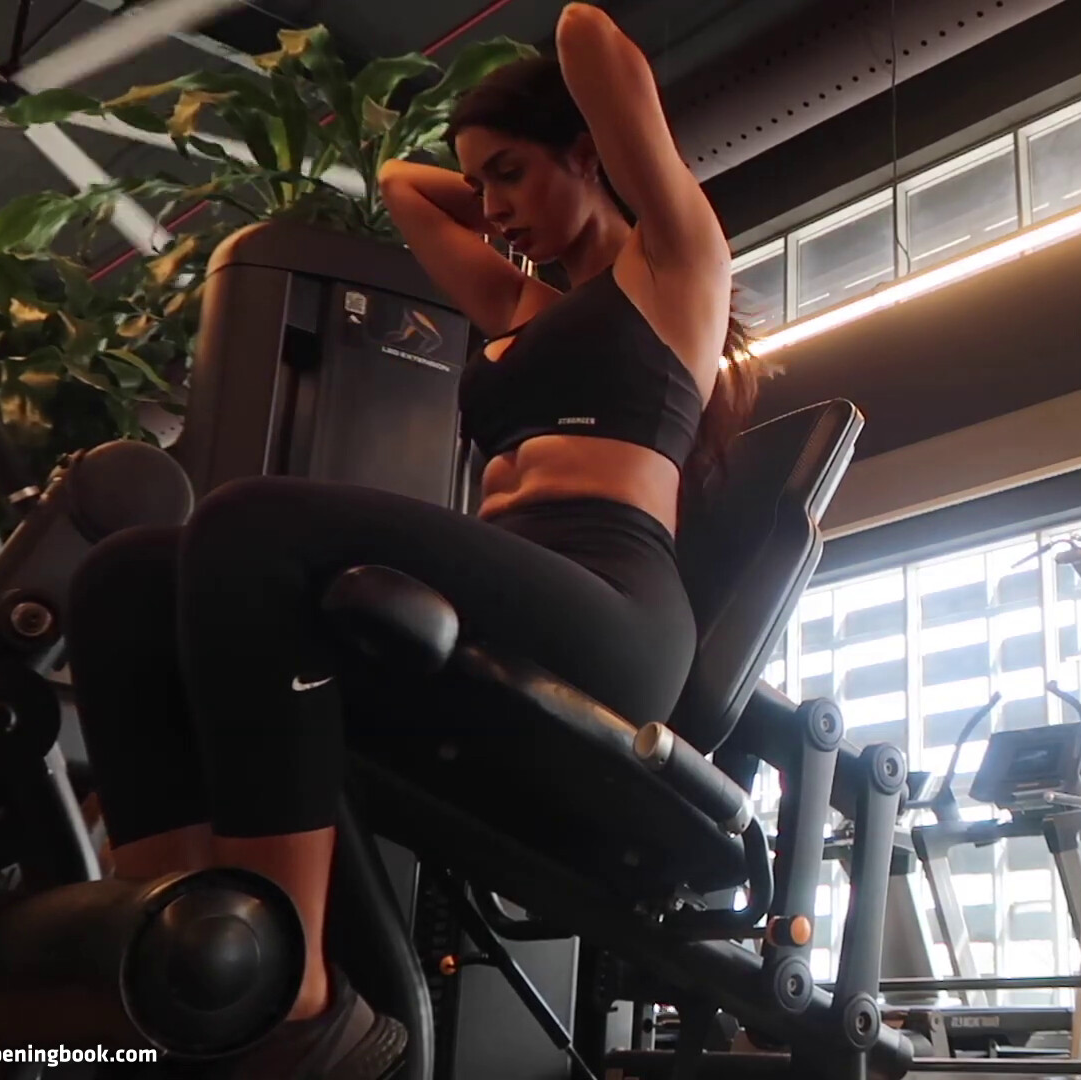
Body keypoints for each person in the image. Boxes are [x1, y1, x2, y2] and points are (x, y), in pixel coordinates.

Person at [61, 5, 758, 1076]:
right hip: (508, 592)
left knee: (252, 526)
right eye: (482, 185)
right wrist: (511, 183)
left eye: (511, 174)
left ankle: (294, 999)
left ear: (591, 154)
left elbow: (589, 37)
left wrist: (589, 159)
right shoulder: (518, 303)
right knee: (126, 579)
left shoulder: (674, 267)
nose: (492, 207)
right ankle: (182, 948)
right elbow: (399, 183)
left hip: (610, 605)